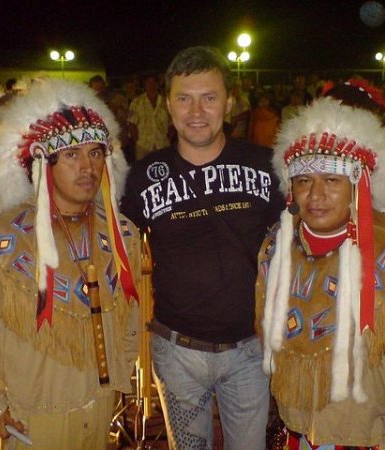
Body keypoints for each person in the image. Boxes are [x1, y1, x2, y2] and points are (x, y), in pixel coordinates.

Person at [0, 77, 141, 450]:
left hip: (99, 411)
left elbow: (130, 313)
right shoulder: (1, 241)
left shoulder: (121, 233)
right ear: (44, 162)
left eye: (96, 153)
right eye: (72, 155)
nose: (88, 167)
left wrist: (120, 372)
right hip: (34, 419)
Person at [256, 96, 385, 449]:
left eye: (332, 179)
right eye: (303, 180)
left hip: (372, 436)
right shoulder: (277, 245)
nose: (316, 195)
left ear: (359, 184)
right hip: (296, 432)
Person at [120, 46, 284, 449]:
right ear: (169, 105)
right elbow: (107, 242)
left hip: (249, 349)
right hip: (178, 352)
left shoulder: (266, 165)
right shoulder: (142, 176)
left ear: (229, 103)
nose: (196, 111)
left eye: (209, 97)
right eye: (184, 98)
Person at [127, 73, 171, 161]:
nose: (151, 85)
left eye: (154, 83)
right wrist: (137, 141)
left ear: (158, 84)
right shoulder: (137, 102)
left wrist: (168, 138)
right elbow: (131, 123)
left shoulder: (165, 102)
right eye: (149, 83)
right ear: (145, 85)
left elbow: (172, 123)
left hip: (162, 145)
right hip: (143, 146)